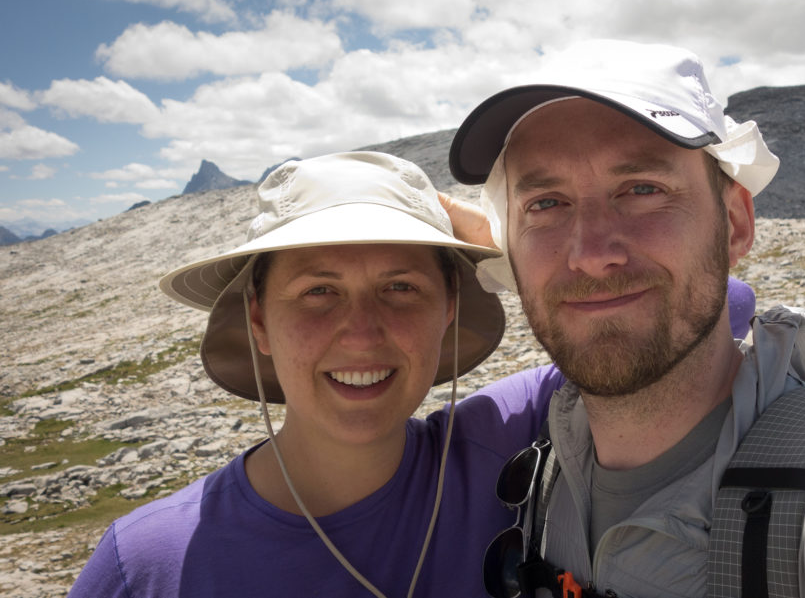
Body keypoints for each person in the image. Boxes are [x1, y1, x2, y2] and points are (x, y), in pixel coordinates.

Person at [445, 40, 805, 597]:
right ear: (512, 250)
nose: (592, 252)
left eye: (642, 188)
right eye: (545, 204)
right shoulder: (545, 470)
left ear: (736, 224)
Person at [67, 151, 558, 598]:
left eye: (401, 287)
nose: (362, 335)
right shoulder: (145, 565)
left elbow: (621, 355)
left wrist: (514, 256)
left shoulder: (507, 443)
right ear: (258, 320)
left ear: (448, 306)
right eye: (318, 291)